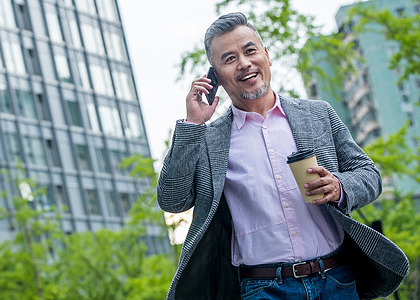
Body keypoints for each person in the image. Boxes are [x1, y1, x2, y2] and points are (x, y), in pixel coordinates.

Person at [157, 12, 409, 300]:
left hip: (337, 280)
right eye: (229, 59)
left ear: (266, 55)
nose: (244, 63)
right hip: (263, 289)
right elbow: (172, 199)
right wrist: (192, 125)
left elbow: (369, 176)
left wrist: (339, 187)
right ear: (215, 77)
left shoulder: (318, 114)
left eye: (250, 51)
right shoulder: (208, 140)